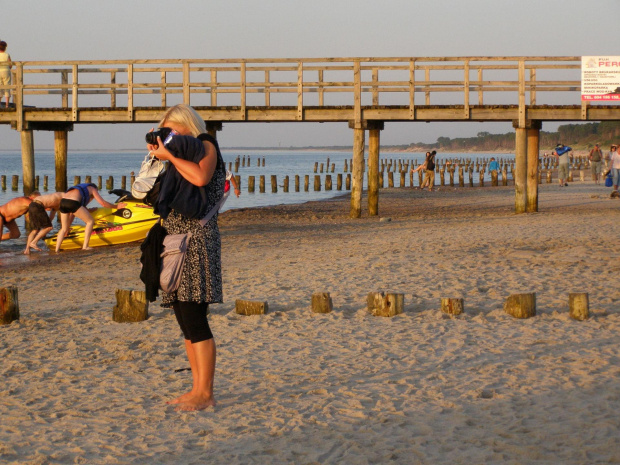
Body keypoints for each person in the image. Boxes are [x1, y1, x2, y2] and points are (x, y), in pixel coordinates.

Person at [146, 104, 225, 411]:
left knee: (195, 318)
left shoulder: (205, 144)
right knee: (184, 320)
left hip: (196, 243)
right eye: (167, 133)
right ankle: (196, 389)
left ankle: (206, 393)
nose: (170, 138)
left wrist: (171, 157)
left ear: (187, 128)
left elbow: (201, 179)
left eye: (173, 132)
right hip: (176, 242)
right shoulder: (181, 155)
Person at [55, 183, 126, 252]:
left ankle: (57, 250)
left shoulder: (78, 189)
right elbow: (103, 203)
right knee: (90, 221)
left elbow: (74, 212)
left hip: (63, 202)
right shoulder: (93, 189)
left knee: (64, 228)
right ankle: (85, 246)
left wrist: (68, 227)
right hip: (72, 202)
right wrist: (116, 206)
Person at [0, 40, 12, 108]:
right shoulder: (7, 55)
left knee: (0, 86)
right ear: (5, 48)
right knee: (7, 86)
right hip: (6, 71)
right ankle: (7, 104)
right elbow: (10, 65)